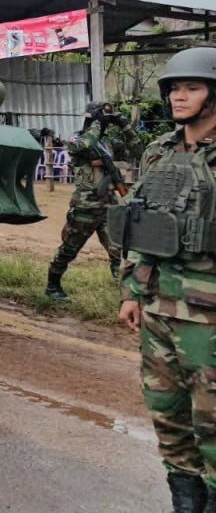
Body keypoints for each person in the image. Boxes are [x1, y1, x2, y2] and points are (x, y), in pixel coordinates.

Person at [116, 47, 216, 513]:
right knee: (169, 420)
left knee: (212, 426)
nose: (179, 96)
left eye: (192, 88)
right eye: (174, 88)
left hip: (208, 318)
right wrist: (132, 291)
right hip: (158, 309)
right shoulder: (158, 151)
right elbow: (140, 227)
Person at [45, 100, 136, 300]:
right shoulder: (77, 139)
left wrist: (124, 124)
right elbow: (86, 143)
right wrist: (97, 122)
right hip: (85, 207)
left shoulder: (107, 143)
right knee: (69, 249)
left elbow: (136, 148)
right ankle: (52, 285)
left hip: (109, 206)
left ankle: (122, 292)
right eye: (102, 116)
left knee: (118, 250)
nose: (105, 121)